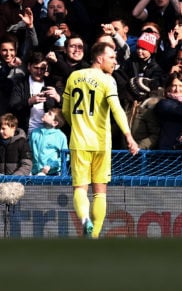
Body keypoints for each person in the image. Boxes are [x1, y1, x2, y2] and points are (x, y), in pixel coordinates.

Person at [61, 41, 139, 239]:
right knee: (100, 191)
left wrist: (77, 125)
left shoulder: (74, 76)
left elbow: (64, 110)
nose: (115, 61)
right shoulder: (107, 80)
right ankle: (94, 236)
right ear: (99, 58)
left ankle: (85, 219)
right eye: (112, 57)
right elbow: (117, 109)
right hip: (101, 143)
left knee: (80, 187)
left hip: (79, 142)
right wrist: (129, 136)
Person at [29, 107, 68, 176]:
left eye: (49, 114)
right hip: (35, 174)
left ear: (55, 123)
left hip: (53, 176)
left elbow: (65, 157)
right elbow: (29, 152)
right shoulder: (34, 133)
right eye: (47, 112)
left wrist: (51, 166)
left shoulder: (60, 136)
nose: (45, 113)